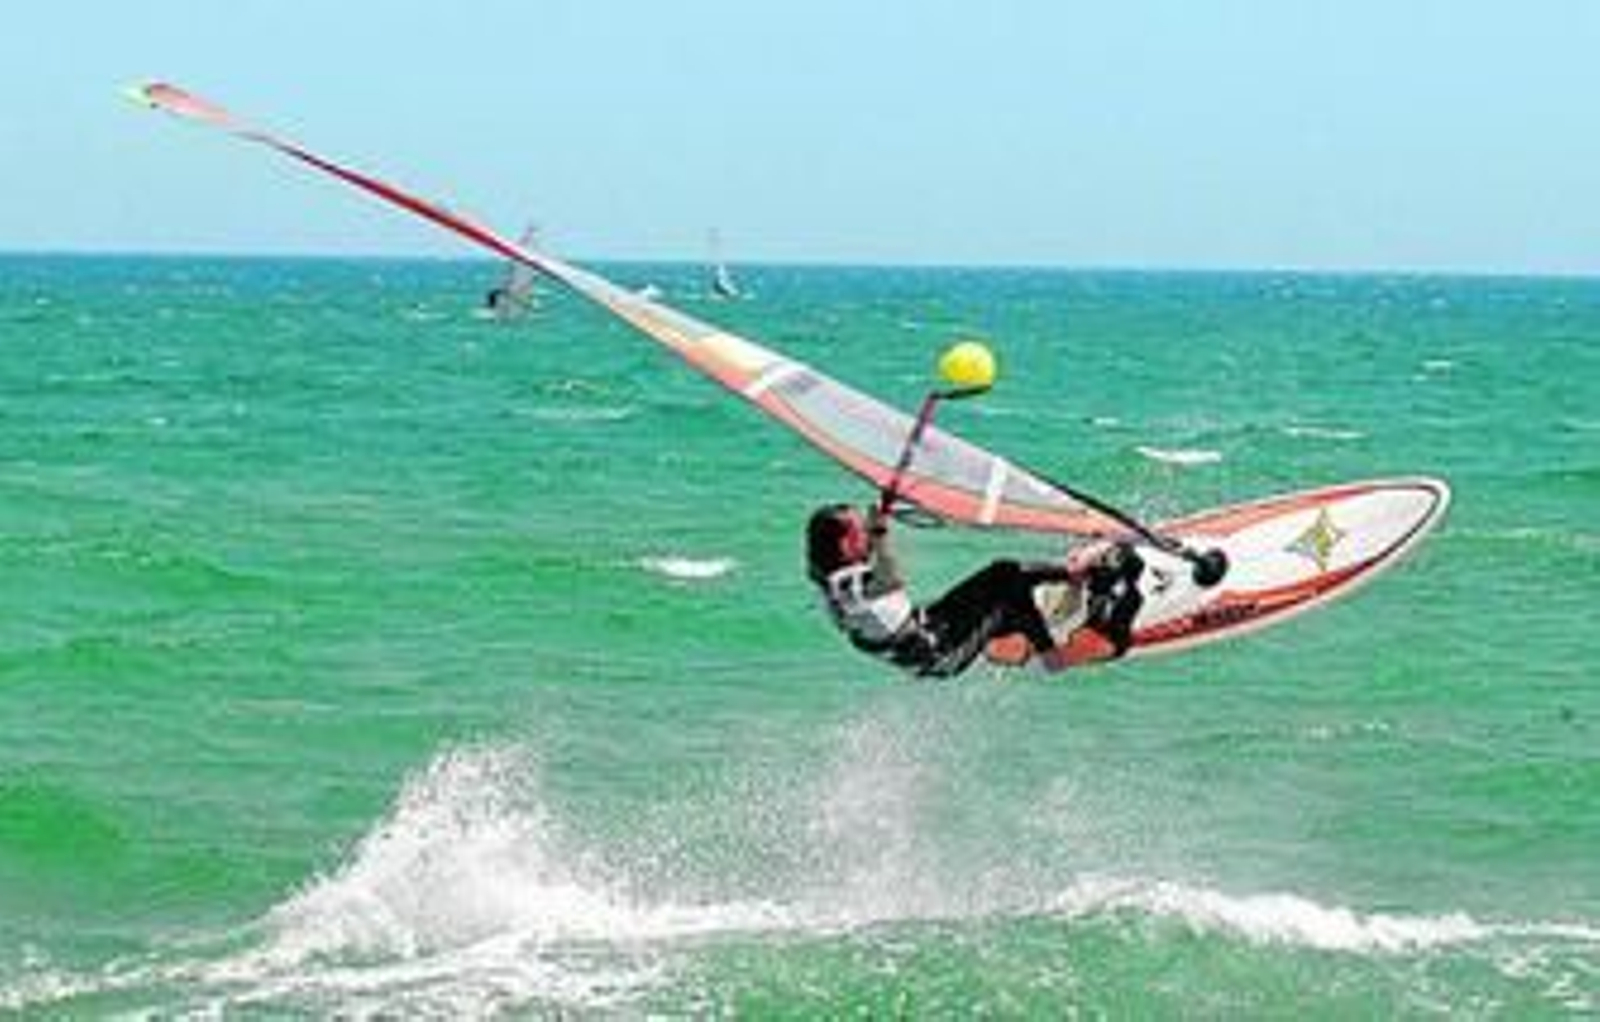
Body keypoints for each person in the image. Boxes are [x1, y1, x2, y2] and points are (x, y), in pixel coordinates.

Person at [805, 503, 1144, 677]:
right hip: (938, 651)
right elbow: (891, 579)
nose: (865, 531)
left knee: (1002, 573)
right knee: (1009, 588)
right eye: (859, 531)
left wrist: (876, 531)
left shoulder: (827, 575)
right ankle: (1054, 654)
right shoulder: (847, 583)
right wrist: (881, 535)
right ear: (845, 543)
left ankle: (1070, 577)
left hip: (926, 627)